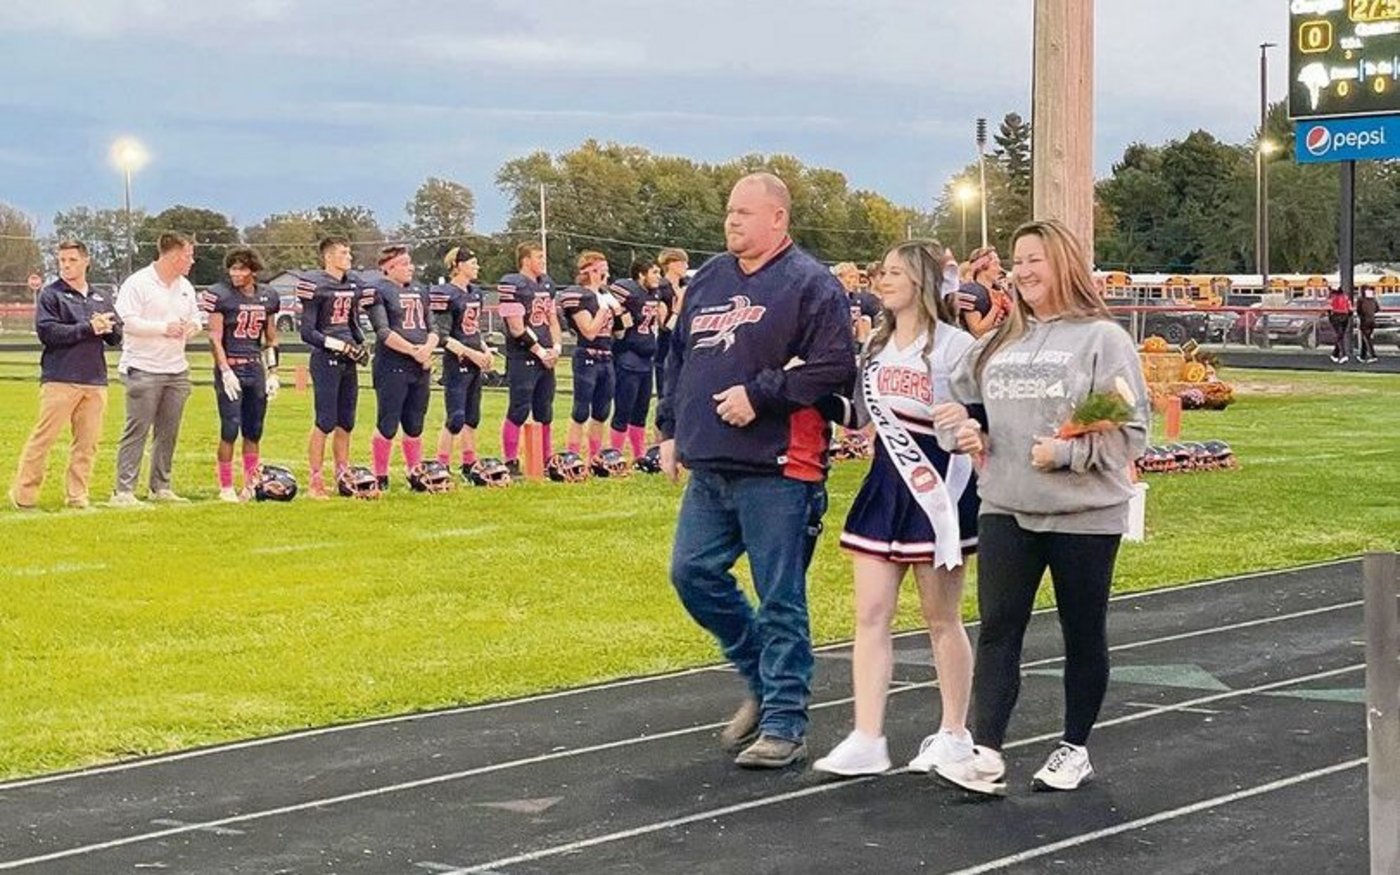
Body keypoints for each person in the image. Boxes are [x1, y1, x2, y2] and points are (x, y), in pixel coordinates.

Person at [931, 219, 1149, 795]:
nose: (1023, 271)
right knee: (999, 629)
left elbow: (1131, 433)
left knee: (1082, 631)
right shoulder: (998, 342)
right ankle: (987, 753)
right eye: (1016, 261)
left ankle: (1074, 747)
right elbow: (956, 403)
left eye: (1035, 260)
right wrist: (961, 428)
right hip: (1005, 504)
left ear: (1064, 264)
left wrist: (1068, 453)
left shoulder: (1103, 340)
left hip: (1084, 515)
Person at [656, 172, 856, 769]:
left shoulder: (811, 285)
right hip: (709, 463)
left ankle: (784, 723)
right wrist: (670, 427)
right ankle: (760, 675)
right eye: (729, 212)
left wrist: (761, 395)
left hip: (780, 465)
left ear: (778, 219)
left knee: (780, 599)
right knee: (691, 572)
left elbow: (833, 367)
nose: (732, 221)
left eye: (745, 212)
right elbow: (679, 356)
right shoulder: (709, 278)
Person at [811, 241, 980, 778]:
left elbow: (979, 419)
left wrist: (966, 427)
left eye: (893, 273)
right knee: (870, 616)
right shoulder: (876, 347)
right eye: (880, 271)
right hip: (884, 488)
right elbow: (859, 419)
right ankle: (868, 735)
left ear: (922, 283)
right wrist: (808, 389)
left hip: (938, 495)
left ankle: (955, 730)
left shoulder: (956, 347)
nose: (881, 280)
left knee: (940, 618)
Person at [9, 240, 122, 511]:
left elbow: (116, 336)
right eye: (62, 260)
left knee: (87, 444)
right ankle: (23, 495)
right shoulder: (52, 295)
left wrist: (109, 328)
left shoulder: (100, 296)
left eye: (71, 260)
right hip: (60, 378)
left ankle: (78, 496)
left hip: (94, 380)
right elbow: (48, 333)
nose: (66, 265)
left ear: (86, 261)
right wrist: (87, 327)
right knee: (43, 439)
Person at [111, 231, 200, 507]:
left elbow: (197, 319)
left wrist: (191, 328)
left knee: (168, 431)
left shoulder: (185, 286)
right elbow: (127, 322)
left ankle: (160, 486)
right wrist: (164, 328)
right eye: (188, 255)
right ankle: (123, 490)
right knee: (137, 429)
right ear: (173, 256)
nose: (192, 261)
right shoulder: (137, 283)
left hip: (176, 368)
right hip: (143, 367)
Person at [199, 247, 280, 502]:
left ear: (253, 271)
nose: (236, 273)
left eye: (241, 268)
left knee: (254, 430)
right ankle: (225, 486)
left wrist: (273, 372)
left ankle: (250, 483)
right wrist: (224, 369)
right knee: (229, 428)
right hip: (231, 366)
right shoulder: (220, 295)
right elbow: (214, 337)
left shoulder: (267, 296)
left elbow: (271, 338)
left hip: (255, 366)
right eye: (233, 268)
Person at [298, 236, 370, 499]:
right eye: (343, 253)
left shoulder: (352, 284)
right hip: (325, 357)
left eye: (349, 252)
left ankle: (342, 474)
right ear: (328, 257)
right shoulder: (314, 284)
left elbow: (352, 322)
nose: (348, 257)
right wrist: (339, 346)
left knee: (346, 422)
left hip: (348, 358)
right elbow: (307, 332)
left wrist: (361, 343)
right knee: (325, 420)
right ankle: (315, 480)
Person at [365, 245, 439, 491]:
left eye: (411, 262)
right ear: (388, 267)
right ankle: (380, 475)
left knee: (415, 423)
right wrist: (413, 351)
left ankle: (414, 473)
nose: (411, 267)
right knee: (388, 423)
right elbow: (383, 331)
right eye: (405, 263)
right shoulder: (378, 290)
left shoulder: (420, 290)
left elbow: (434, 328)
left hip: (419, 365)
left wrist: (427, 349)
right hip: (392, 364)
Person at [497, 241, 561, 478]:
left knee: (545, 410)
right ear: (525, 260)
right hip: (522, 355)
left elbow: (552, 319)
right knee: (519, 408)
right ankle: (511, 460)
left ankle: (545, 459)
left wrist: (555, 347)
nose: (543, 261)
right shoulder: (511, 284)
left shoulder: (547, 284)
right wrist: (540, 351)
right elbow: (516, 327)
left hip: (546, 355)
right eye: (538, 257)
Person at [433, 246, 494, 478]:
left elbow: (474, 329)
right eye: (472, 262)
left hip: (474, 358)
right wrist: (472, 353)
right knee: (455, 416)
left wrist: (485, 350)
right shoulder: (446, 293)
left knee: (472, 416)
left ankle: (469, 463)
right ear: (458, 266)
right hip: (457, 359)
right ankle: (442, 464)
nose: (477, 267)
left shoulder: (475, 292)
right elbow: (442, 335)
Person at [558, 251, 620, 458]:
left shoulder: (604, 296)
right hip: (587, 356)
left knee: (602, 412)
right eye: (602, 269)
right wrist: (603, 309)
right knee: (581, 411)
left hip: (607, 356)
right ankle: (572, 456)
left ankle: (595, 457)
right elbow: (590, 332)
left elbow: (620, 332)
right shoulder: (581, 296)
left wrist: (618, 311)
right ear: (591, 271)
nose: (606, 273)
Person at [610, 257, 666, 460]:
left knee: (641, 411)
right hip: (628, 356)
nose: (658, 277)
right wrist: (621, 316)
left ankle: (638, 454)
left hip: (646, 359)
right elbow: (610, 301)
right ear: (641, 275)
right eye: (654, 272)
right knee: (623, 409)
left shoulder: (654, 293)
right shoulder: (628, 290)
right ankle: (614, 454)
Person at [654, 247, 689, 402]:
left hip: (685, 345)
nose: (687, 267)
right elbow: (665, 327)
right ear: (672, 264)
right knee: (666, 397)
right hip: (666, 346)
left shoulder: (686, 285)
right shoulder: (661, 288)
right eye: (683, 263)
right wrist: (677, 308)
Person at [954, 246, 1011, 338]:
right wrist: (995, 307)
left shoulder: (997, 291)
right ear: (982, 266)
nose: (1000, 269)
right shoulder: (972, 291)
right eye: (996, 264)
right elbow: (977, 332)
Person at [833, 261, 881, 344]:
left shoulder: (856, 298)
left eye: (856, 278)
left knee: (865, 319)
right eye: (851, 277)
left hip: (854, 338)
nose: (854, 281)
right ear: (839, 278)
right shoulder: (830, 297)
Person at [1328, 286, 1354, 363]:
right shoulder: (1346, 297)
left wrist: (1330, 317)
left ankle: (1343, 355)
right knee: (1340, 336)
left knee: (1339, 337)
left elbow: (1329, 308)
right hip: (1345, 317)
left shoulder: (1332, 297)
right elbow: (1350, 309)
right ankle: (1335, 355)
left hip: (1336, 316)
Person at [1357, 286, 1380, 363]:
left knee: (1366, 338)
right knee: (1366, 337)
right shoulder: (1373, 299)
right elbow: (1377, 309)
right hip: (1372, 321)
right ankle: (1362, 356)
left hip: (1364, 321)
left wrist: (1362, 316)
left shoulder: (1361, 300)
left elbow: (1358, 310)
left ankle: (1373, 355)